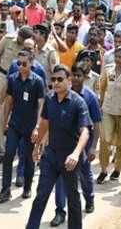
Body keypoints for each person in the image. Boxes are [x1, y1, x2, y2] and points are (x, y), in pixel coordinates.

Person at [27, 65, 92, 229]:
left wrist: (76, 154)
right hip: (51, 156)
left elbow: (85, 131)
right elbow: (45, 124)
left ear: (69, 81)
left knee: (73, 199)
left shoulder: (78, 103)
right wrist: (37, 147)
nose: (55, 83)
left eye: (60, 79)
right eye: (53, 79)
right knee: (41, 196)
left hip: (70, 159)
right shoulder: (49, 99)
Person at [52, 62, 102, 226]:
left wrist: (94, 146)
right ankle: (60, 211)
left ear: (85, 77)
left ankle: (89, 198)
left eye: (80, 75)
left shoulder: (90, 97)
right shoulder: (62, 93)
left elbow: (96, 123)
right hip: (64, 142)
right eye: (74, 75)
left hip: (84, 143)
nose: (76, 78)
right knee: (61, 176)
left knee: (84, 173)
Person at [0, 50, 45, 202]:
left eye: (24, 63)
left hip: (30, 126)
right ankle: (5, 190)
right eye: (18, 63)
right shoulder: (12, 79)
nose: (21, 66)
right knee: (9, 155)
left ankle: (27, 187)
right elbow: (9, 102)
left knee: (30, 158)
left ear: (31, 63)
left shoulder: (37, 81)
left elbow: (41, 105)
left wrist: (38, 127)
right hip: (15, 124)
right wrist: (5, 123)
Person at [0, 26, 34, 164]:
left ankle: (15, 148)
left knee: (16, 114)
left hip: (21, 81)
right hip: (4, 76)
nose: (21, 42)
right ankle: (2, 150)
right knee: (0, 116)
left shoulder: (29, 46)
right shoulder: (8, 39)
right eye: (21, 39)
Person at [97, 47, 121, 183]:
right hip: (108, 110)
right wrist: (101, 104)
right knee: (104, 139)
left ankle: (117, 169)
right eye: (116, 57)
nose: (118, 60)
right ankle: (103, 169)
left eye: (120, 57)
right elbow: (102, 87)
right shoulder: (108, 70)